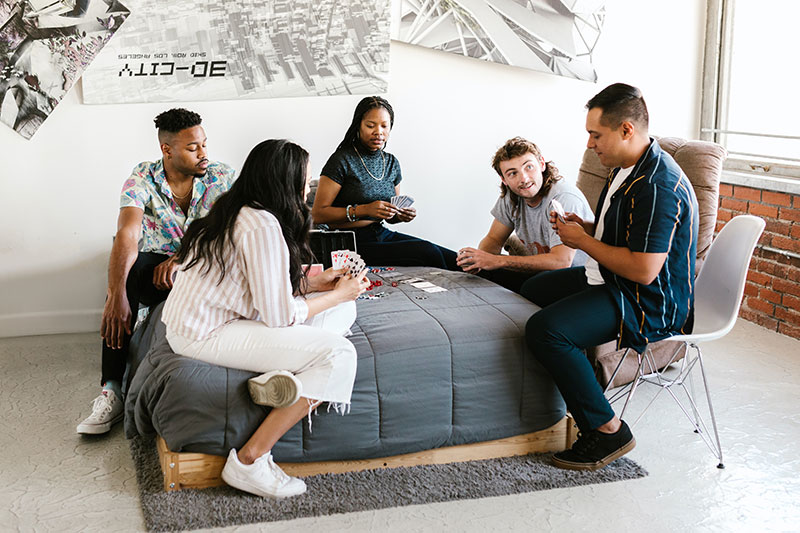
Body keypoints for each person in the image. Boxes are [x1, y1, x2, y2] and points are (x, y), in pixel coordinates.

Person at [162, 139, 369, 498]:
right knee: (340, 354)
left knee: (342, 309)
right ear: (285, 182)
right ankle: (249, 461)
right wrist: (337, 292)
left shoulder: (240, 209)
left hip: (212, 319)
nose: (308, 188)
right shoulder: (261, 225)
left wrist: (317, 284)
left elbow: (259, 287)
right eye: (304, 179)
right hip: (205, 332)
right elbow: (278, 316)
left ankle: (282, 376)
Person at [522, 83, 699, 470]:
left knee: (545, 329)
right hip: (616, 280)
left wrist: (583, 240)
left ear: (626, 130)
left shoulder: (657, 185)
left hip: (649, 300)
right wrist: (583, 225)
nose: (589, 145)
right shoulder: (625, 168)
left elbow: (644, 269)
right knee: (529, 289)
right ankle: (573, 382)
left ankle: (607, 430)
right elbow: (621, 233)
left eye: (595, 135)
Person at [76, 108, 235, 435]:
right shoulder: (142, 178)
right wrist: (115, 297)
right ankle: (112, 389)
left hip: (202, 267)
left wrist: (183, 257)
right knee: (132, 275)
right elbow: (128, 234)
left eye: (204, 144)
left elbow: (235, 233)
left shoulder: (223, 177)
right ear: (167, 150)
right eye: (193, 148)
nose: (204, 153)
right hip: (156, 276)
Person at [311, 96, 458, 269]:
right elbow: (318, 214)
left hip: (380, 234)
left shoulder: (391, 163)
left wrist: (400, 215)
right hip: (349, 241)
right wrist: (364, 209)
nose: (378, 132)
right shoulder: (342, 160)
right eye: (370, 126)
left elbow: (391, 215)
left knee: (455, 259)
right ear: (358, 125)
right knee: (428, 253)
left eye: (384, 126)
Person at [456, 137, 594, 293]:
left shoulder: (563, 198)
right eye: (512, 173)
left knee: (531, 287)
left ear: (541, 164)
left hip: (581, 277)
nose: (524, 178)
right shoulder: (512, 197)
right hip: (542, 275)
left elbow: (561, 262)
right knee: (450, 264)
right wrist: (478, 263)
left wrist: (498, 260)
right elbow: (493, 239)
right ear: (504, 180)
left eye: (528, 167)